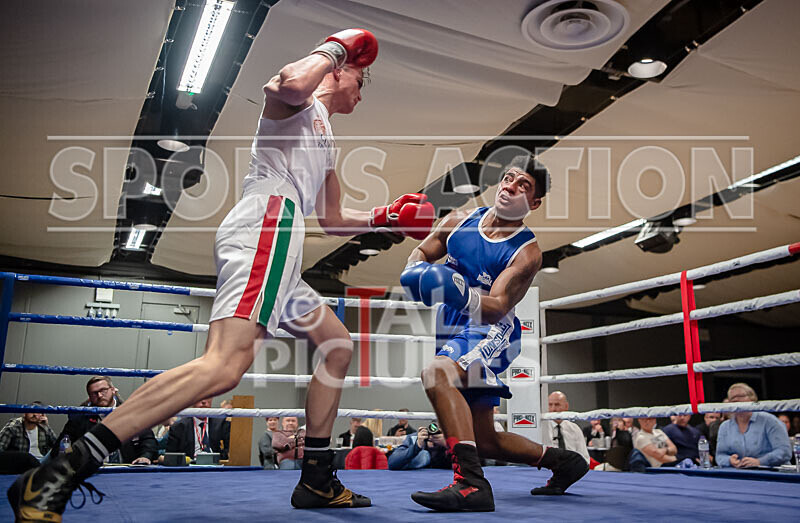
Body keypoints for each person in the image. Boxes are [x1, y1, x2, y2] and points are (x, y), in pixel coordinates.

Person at [8, 28, 435, 518]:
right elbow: (286, 87)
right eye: (363, 77)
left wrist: (387, 218)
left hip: (283, 240)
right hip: (268, 227)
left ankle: (317, 477)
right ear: (340, 69)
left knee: (336, 346)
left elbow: (332, 218)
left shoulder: (325, 137)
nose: (364, 90)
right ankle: (59, 472)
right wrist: (338, 44)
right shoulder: (296, 103)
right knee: (224, 368)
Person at [400, 156, 588, 511]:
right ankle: (563, 462)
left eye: (524, 185)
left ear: (534, 203)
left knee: (436, 374)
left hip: (491, 332)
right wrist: (416, 269)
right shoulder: (459, 220)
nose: (511, 186)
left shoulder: (526, 252)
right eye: (508, 178)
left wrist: (456, 291)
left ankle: (471, 485)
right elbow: (425, 249)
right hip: (452, 327)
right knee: (483, 439)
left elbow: (498, 305)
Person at [58, 377, 157, 465]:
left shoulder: (131, 412)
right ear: (89, 397)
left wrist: (145, 456)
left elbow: (148, 440)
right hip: (92, 471)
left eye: (103, 390)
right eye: (94, 393)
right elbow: (65, 440)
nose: (100, 395)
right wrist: (67, 458)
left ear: (113, 390)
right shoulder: (80, 417)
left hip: (126, 470)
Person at [716, 383, 791, 468]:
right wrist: (729, 460)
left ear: (752, 399)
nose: (736, 400)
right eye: (732, 398)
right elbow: (720, 456)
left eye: (741, 396)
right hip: (741, 474)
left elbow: (784, 452)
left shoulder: (770, 421)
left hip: (773, 474)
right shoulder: (724, 427)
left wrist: (760, 461)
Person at [0, 402, 57, 474]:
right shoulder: (15, 426)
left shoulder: (43, 427)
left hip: (41, 461)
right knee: (27, 457)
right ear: (24, 413)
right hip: (24, 463)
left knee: (63, 449)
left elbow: (56, 445)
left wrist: (47, 426)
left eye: (38, 412)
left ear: (42, 415)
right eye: (31, 411)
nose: (34, 414)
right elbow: (1, 447)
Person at [542, 392, 591, 465]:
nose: (553, 409)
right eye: (550, 405)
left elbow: (584, 457)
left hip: (572, 470)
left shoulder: (574, 429)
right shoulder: (541, 429)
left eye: (557, 405)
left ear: (566, 406)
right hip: (547, 470)